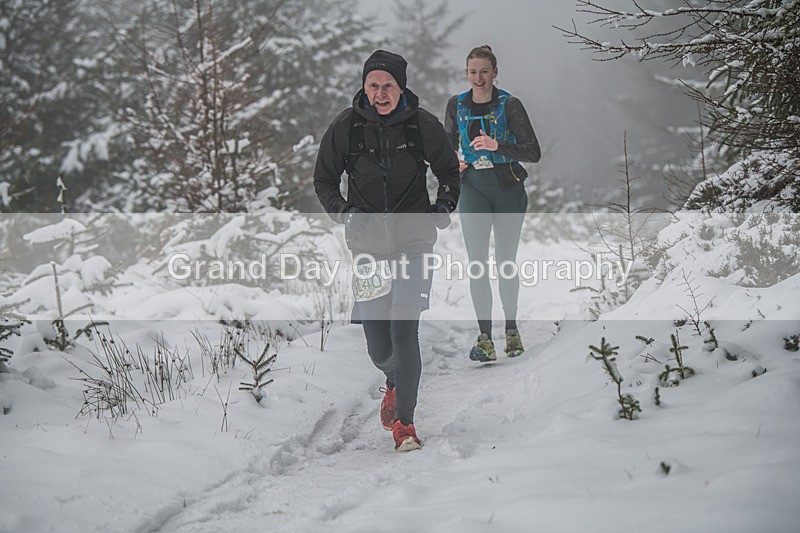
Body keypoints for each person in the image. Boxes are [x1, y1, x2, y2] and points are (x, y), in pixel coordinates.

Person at [314, 50, 460, 451]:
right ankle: (393, 380)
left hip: (414, 242)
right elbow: (324, 179)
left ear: (401, 88)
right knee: (380, 348)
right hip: (369, 248)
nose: (381, 93)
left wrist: (444, 205)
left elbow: (449, 170)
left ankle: (406, 424)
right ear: (364, 86)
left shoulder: (421, 125)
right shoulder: (347, 127)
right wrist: (344, 212)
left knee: (403, 330)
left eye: (388, 86)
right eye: (374, 85)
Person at [444, 45, 541, 362]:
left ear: (495, 72)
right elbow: (445, 148)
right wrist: (452, 163)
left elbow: (533, 152)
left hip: (507, 187)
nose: (478, 78)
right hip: (473, 186)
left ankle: (512, 331)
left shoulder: (509, 104)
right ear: (466, 73)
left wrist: (498, 145)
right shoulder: (456, 105)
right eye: (472, 71)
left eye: (484, 71)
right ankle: (485, 338)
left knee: (505, 262)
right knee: (477, 265)